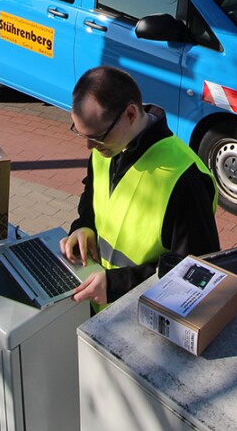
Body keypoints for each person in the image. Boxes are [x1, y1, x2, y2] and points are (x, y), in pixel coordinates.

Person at [60, 66, 219, 308]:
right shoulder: (107, 147)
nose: (90, 147)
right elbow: (92, 195)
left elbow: (197, 273)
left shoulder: (185, 178)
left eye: (98, 136)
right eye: (82, 134)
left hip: (144, 318)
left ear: (131, 114)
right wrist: (83, 226)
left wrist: (117, 285)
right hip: (101, 307)